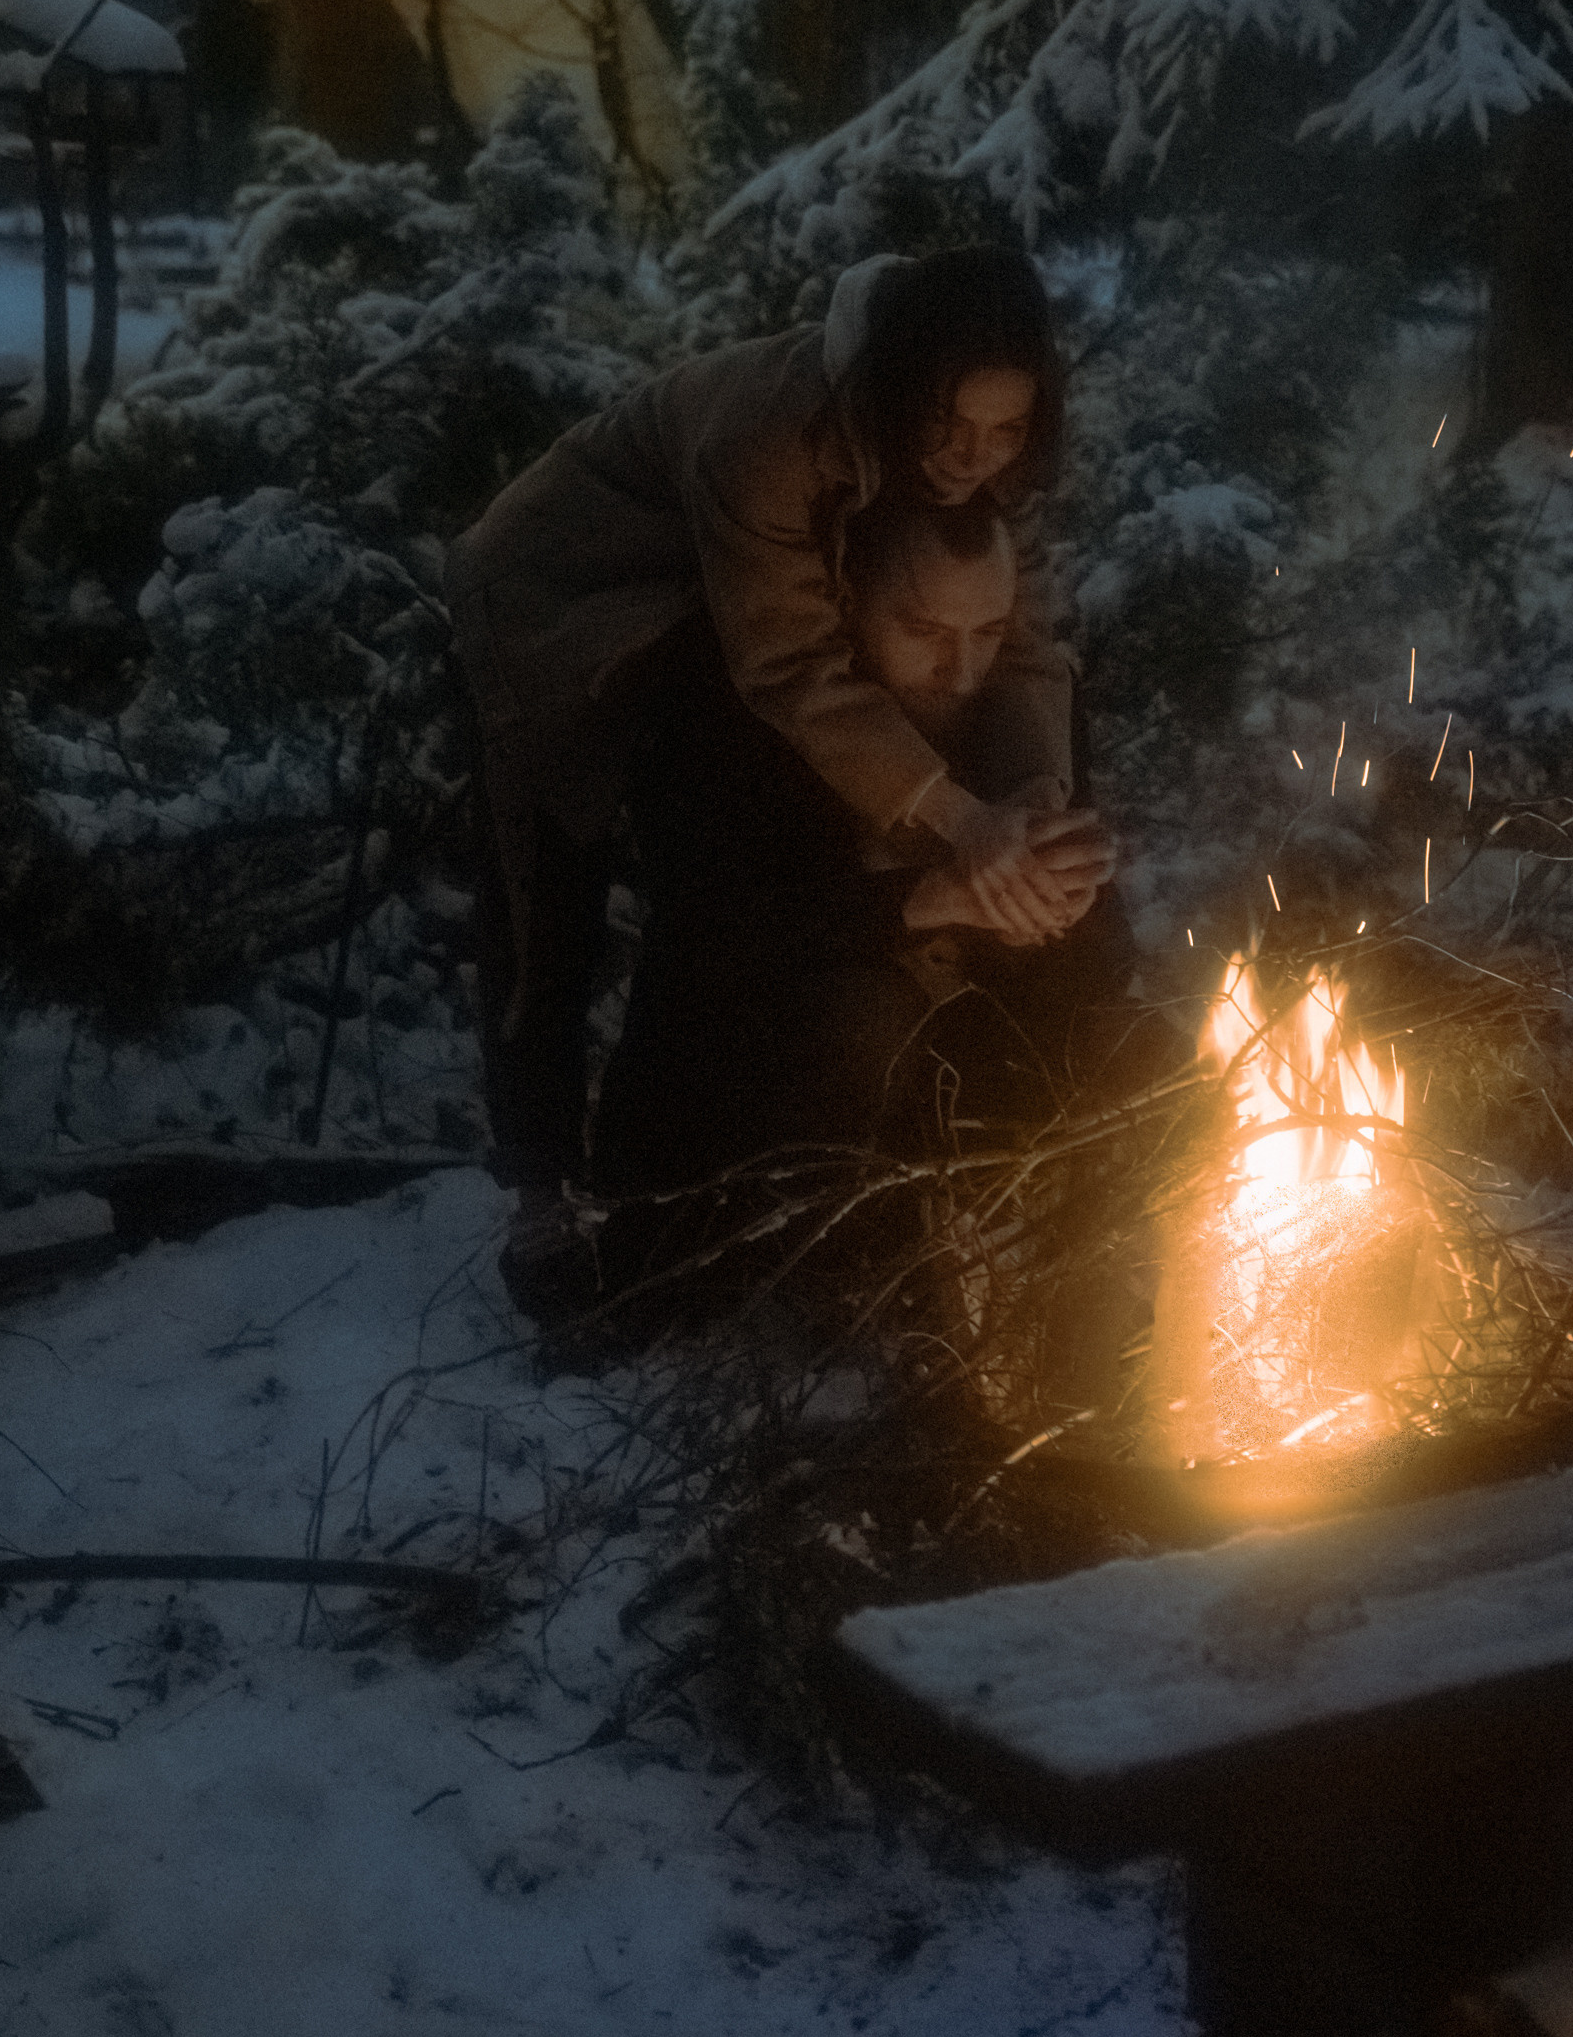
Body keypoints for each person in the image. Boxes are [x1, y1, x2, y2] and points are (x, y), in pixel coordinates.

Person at [447, 246, 1111, 1297]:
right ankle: (545, 1191)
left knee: (769, 849)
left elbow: (1019, 638)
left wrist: (1031, 805)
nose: (974, 457)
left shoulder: (965, 457)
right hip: (567, 611)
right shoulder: (767, 436)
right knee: (549, 887)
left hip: (710, 628)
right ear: (896, 389)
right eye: (951, 428)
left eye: (1006, 431)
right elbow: (793, 667)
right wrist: (956, 822)